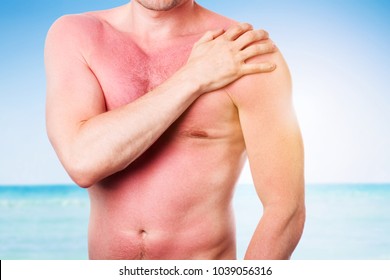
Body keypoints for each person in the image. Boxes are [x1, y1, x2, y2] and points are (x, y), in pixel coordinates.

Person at [45, 0, 305, 260]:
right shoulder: (77, 36)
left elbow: (285, 209)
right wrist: (194, 76)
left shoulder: (244, 52)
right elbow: (82, 161)